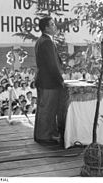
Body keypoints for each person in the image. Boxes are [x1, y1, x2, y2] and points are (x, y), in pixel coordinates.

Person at [34, 16, 65, 144]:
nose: (55, 26)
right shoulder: (46, 41)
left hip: (46, 81)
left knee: (47, 108)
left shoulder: (43, 40)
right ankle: (44, 136)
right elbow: (52, 65)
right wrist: (60, 80)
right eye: (52, 24)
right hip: (49, 82)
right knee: (47, 109)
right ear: (46, 27)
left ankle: (47, 134)